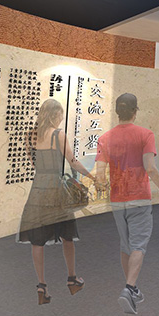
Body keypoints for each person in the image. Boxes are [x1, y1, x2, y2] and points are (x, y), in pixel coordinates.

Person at [95, 93, 159, 315]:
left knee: (125, 244)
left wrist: (102, 186)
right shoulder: (145, 135)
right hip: (139, 197)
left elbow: (100, 174)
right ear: (135, 111)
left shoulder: (105, 138)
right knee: (138, 245)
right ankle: (128, 288)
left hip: (117, 199)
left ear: (117, 112)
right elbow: (150, 167)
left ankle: (133, 288)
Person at [17, 99, 97, 304]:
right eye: (60, 114)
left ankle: (41, 286)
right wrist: (92, 177)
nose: (61, 118)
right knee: (67, 235)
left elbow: (33, 162)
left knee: (37, 240)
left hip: (38, 190)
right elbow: (73, 161)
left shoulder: (30, 135)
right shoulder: (58, 134)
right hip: (56, 189)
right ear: (54, 114)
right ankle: (72, 279)